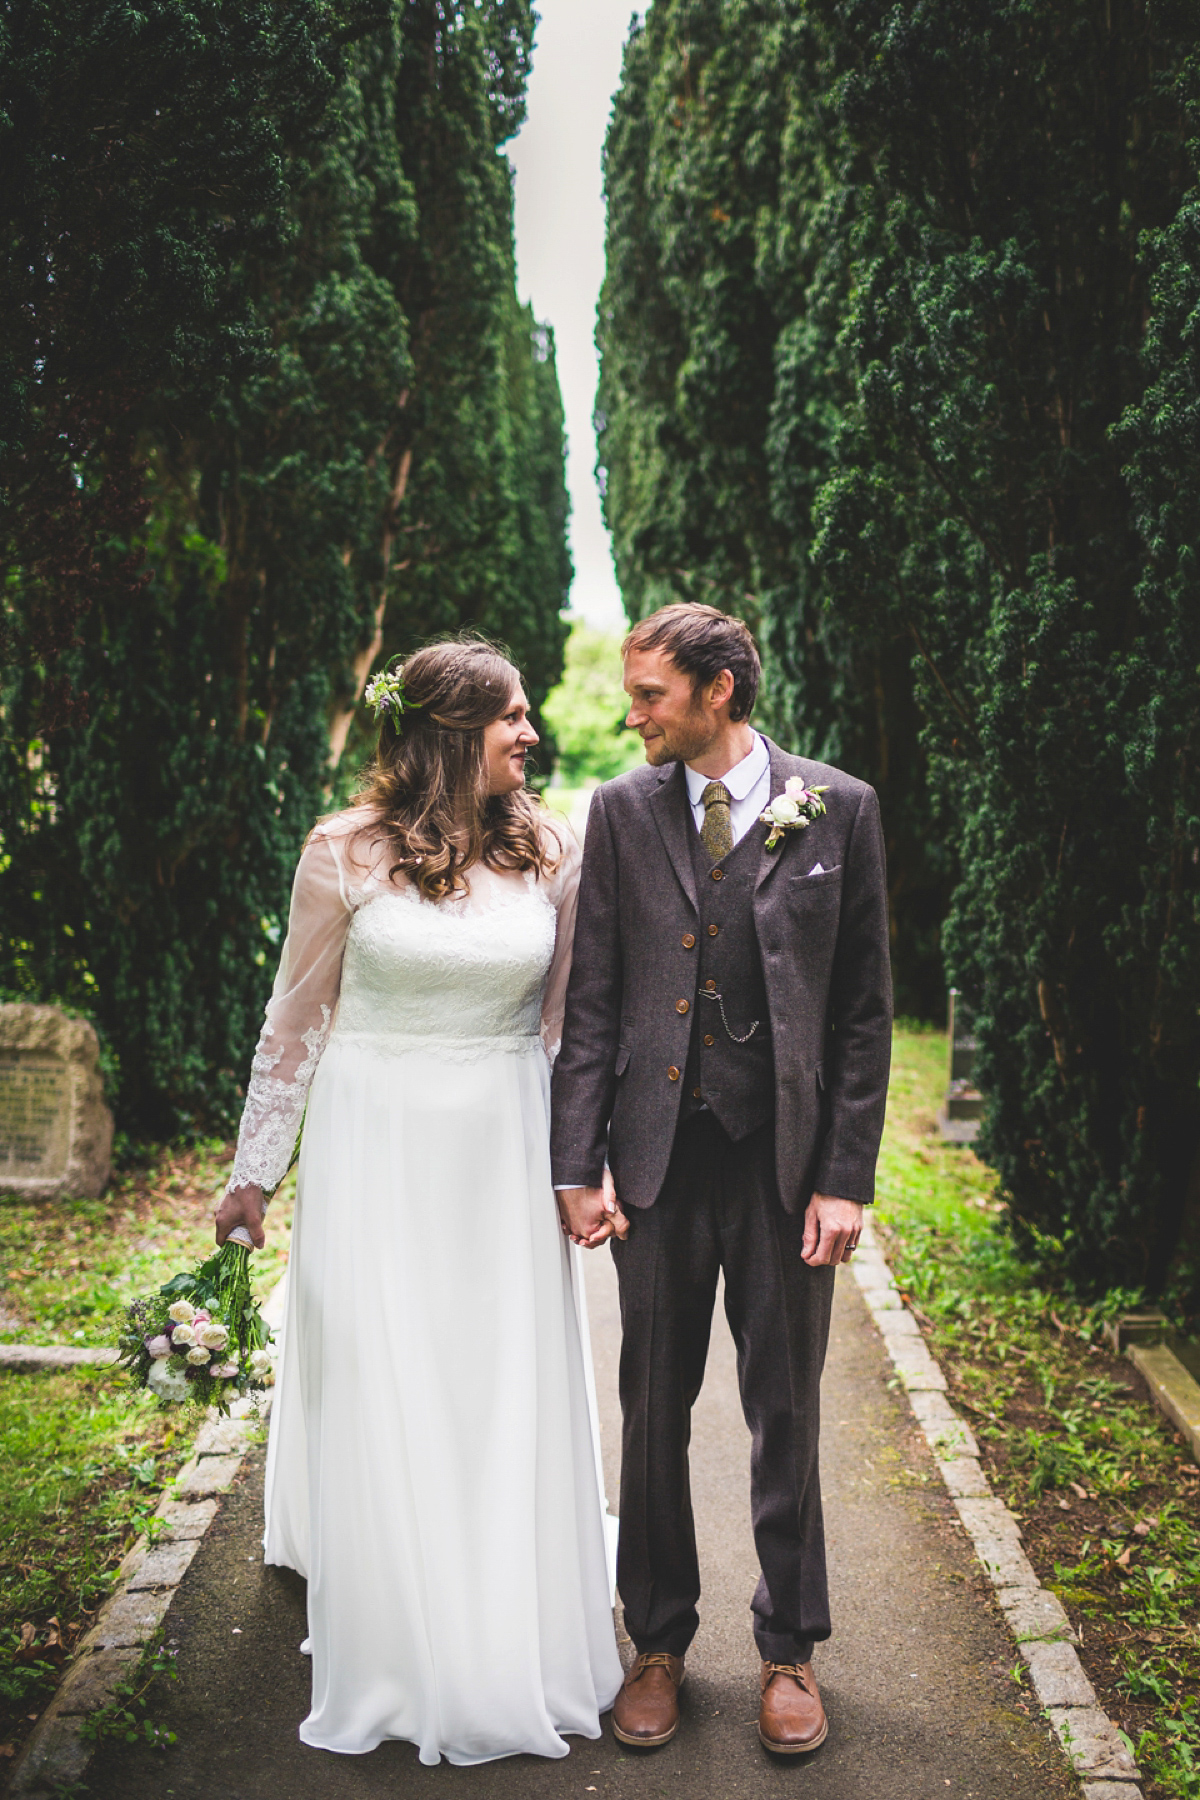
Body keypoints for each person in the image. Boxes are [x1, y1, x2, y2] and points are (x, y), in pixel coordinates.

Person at [215, 637, 623, 1767]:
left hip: (504, 1131)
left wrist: (581, 1162)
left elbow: (565, 1025)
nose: (531, 734)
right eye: (512, 717)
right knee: (392, 1363)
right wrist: (256, 1171)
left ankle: (506, 1592)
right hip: (376, 1134)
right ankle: (400, 1618)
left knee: (495, 1369)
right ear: (453, 730)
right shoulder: (341, 851)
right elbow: (295, 1021)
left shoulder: (552, 846)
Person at [551, 603, 892, 1758]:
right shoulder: (619, 811)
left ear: (720, 691)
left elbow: (861, 1016)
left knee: (784, 1409)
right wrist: (575, 1166)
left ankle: (789, 1651)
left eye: (652, 692)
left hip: (785, 1171)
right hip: (654, 1166)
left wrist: (845, 1179)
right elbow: (593, 1001)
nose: (632, 710)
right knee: (651, 1408)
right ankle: (655, 1642)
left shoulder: (838, 807)